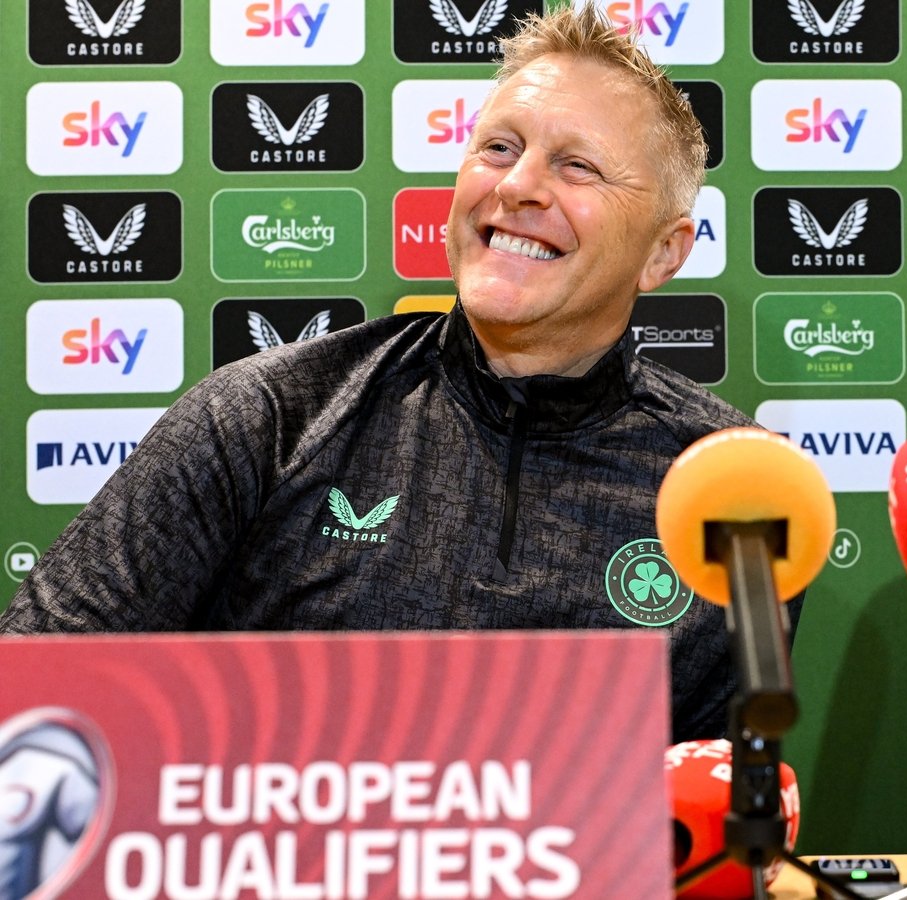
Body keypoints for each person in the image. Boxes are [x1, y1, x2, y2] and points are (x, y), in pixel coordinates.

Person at [0, 6, 783, 746]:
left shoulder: (732, 492)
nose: (516, 186)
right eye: (498, 148)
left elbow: (707, 811)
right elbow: (31, 712)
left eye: (577, 166)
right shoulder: (269, 417)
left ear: (664, 252)